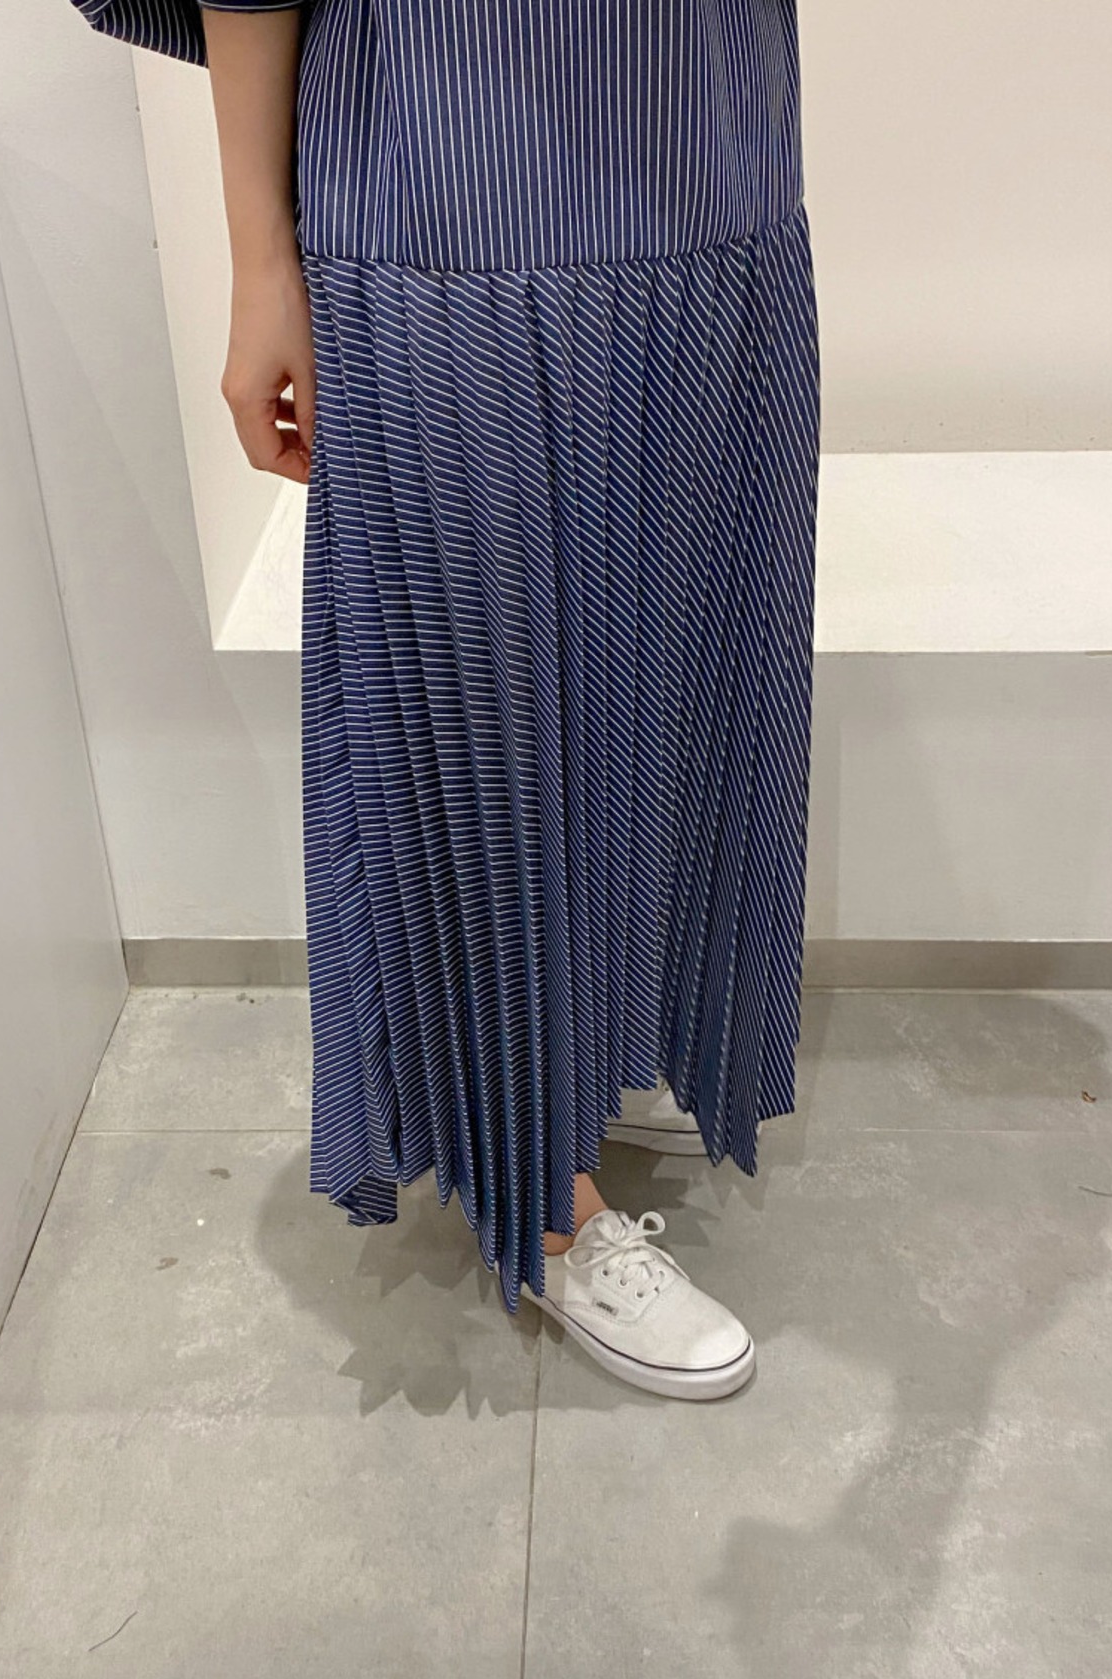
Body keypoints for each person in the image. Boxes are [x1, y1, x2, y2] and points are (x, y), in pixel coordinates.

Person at [67, 0, 821, 1402]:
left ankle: (593, 1044)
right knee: (489, 711)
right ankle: (544, 1191)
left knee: (663, 663)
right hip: (454, 176)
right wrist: (262, 259)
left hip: (711, 145)